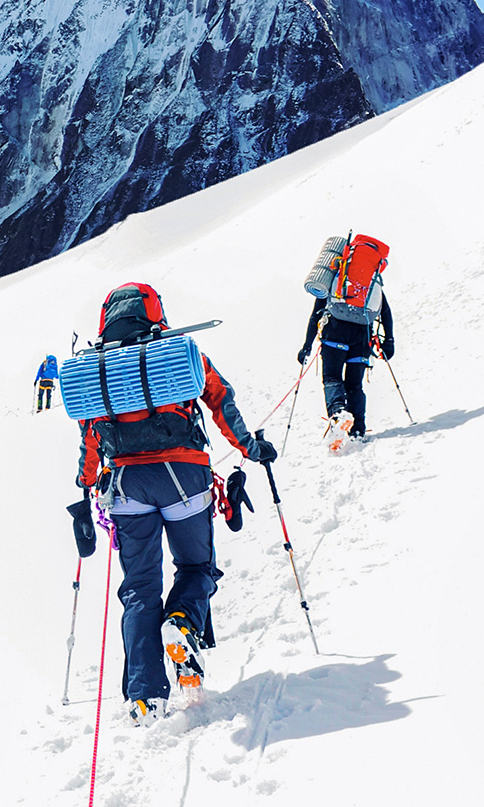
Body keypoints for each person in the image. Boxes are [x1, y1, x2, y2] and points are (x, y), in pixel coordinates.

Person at [74, 282, 275, 725]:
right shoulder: (177, 352)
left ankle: (145, 698)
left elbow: (90, 434)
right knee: (197, 567)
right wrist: (250, 447)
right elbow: (219, 398)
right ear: (154, 312)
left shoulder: (96, 369)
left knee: (139, 588)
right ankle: (182, 623)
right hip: (184, 477)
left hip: (126, 486)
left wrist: (86, 483)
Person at [298, 286, 394, 440]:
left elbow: (316, 313)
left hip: (335, 333)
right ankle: (357, 431)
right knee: (354, 385)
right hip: (362, 337)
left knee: (332, 378)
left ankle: (338, 414)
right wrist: (389, 341)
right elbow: (385, 311)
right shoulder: (371, 281)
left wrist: (307, 345)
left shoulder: (332, 280)